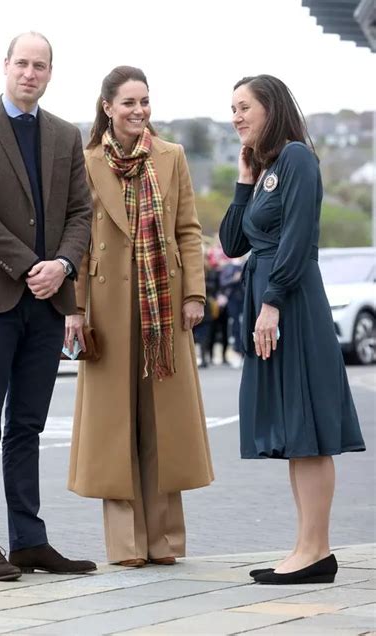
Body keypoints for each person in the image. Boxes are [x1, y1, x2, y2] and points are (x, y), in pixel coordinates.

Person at [0, 32, 95, 581]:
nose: (30, 73)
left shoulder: (63, 134)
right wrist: (32, 264)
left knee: (28, 425)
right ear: (5, 67)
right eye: (22, 64)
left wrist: (63, 266)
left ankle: (29, 540)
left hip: (49, 299)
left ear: (50, 73)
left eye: (40, 65)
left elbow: (82, 212)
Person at [219, 75, 365, 585]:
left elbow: (300, 238)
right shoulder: (266, 169)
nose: (236, 116)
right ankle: (306, 548)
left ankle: (317, 549)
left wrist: (272, 303)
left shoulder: (298, 158)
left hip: (293, 306)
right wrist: (243, 179)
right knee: (292, 433)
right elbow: (234, 242)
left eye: (244, 107)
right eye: (231, 108)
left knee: (309, 429)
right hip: (270, 301)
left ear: (271, 108)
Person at [67, 66, 214, 567]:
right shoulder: (85, 162)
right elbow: (79, 242)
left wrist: (195, 293)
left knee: (162, 424)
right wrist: (76, 308)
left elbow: (189, 231)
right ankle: (125, 545)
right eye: (128, 102)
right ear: (107, 106)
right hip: (107, 308)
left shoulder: (171, 156)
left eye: (145, 101)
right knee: (115, 427)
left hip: (164, 306)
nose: (139, 110)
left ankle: (164, 542)